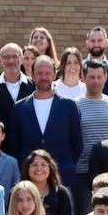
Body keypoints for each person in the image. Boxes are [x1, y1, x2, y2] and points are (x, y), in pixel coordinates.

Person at [7, 56, 83, 189]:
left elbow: (77, 143)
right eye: (39, 73)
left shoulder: (69, 106)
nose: (43, 77)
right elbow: (14, 145)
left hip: (62, 177)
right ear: (32, 74)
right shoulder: (20, 108)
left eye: (48, 73)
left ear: (54, 74)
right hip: (29, 179)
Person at [70, 59, 108, 215]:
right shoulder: (74, 106)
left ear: (105, 78)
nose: (96, 81)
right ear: (83, 78)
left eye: (99, 77)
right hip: (82, 171)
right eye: (92, 77)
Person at [23, 149, 75, 215]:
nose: (39, 168)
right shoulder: (19, 192)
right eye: (34, 165)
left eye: (43, 165)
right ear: (28, 168)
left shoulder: (61, 192)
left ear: (50, 168)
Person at [0, 43, 35, 137]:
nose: (11, 61)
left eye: (15, 56)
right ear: (0, 60)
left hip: (28, 143)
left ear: (22, 59)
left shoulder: (34, 86)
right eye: (6, 57)